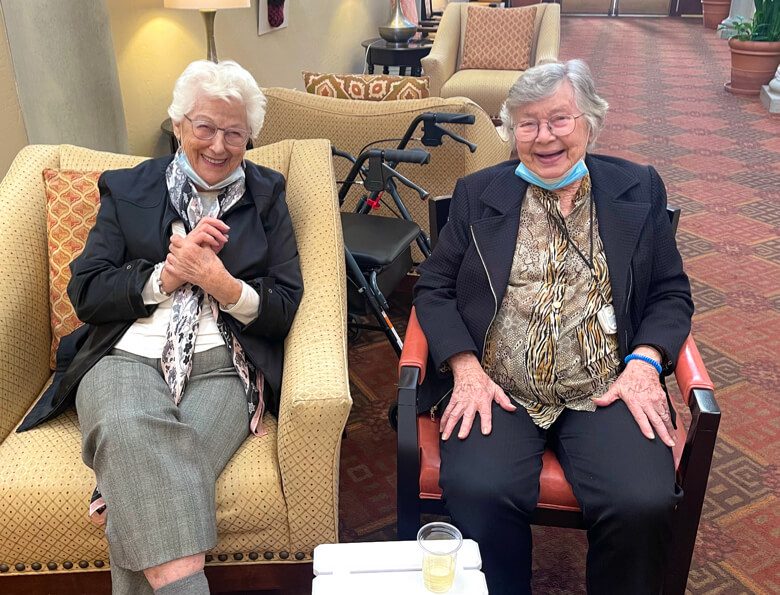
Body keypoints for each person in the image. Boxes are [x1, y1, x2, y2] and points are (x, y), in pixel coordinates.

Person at [19, 60, 303, 594]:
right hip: (124, 356)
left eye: (234, 132)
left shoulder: (266, 196)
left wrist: (220, 283)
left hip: (225, 367)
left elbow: (285, 304)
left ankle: (121, 480)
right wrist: (165, 276)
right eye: (204, 127)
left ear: (251, 137)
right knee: (140, 445)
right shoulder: (129, 189)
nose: (218, 145)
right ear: (177, 126)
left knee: (139, 481)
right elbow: (86, 292)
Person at [413, 59, 692, 595]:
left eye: (559, 120)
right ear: (511, 131)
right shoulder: (478, 195)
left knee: (640, 500)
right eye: (527, 123)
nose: (544, 138)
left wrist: (645, 363)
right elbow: (434, 288)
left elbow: (670, 293)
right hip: (499, 386)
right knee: (478, 487)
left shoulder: (637, 189)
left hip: (606, 386)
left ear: (591, 122)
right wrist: (465, 369)